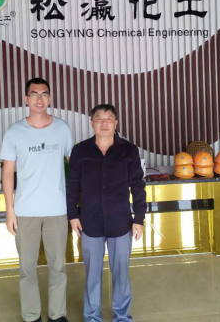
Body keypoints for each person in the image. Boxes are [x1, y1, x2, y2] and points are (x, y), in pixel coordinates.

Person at [0, 78, 73, 322]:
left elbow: (76, 165)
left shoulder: (62, 128)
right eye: (34, 94)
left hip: (57, 210)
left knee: (58, 267)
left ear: (50, 99)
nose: (39, 99)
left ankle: (57, 315)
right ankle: (31, 315)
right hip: (25, 211)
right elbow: (7, 173)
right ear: (26, 99)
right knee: (27, 268)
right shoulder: (14, 132)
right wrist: (10, 210)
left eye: (44, 94)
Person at [66, 104, 147, 322]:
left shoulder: (129, 150)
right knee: (92, 274)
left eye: (109, 119)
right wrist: (73, 215)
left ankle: (122, 316)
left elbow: (137, 185)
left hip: (120, 222)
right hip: (89, 221)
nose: (104, 123)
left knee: (121, 273)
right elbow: (72, 185)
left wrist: (139, 218)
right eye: (99, 119)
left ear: (116, 123)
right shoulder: (80, 151)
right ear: (92, 123)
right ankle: (92, 316)